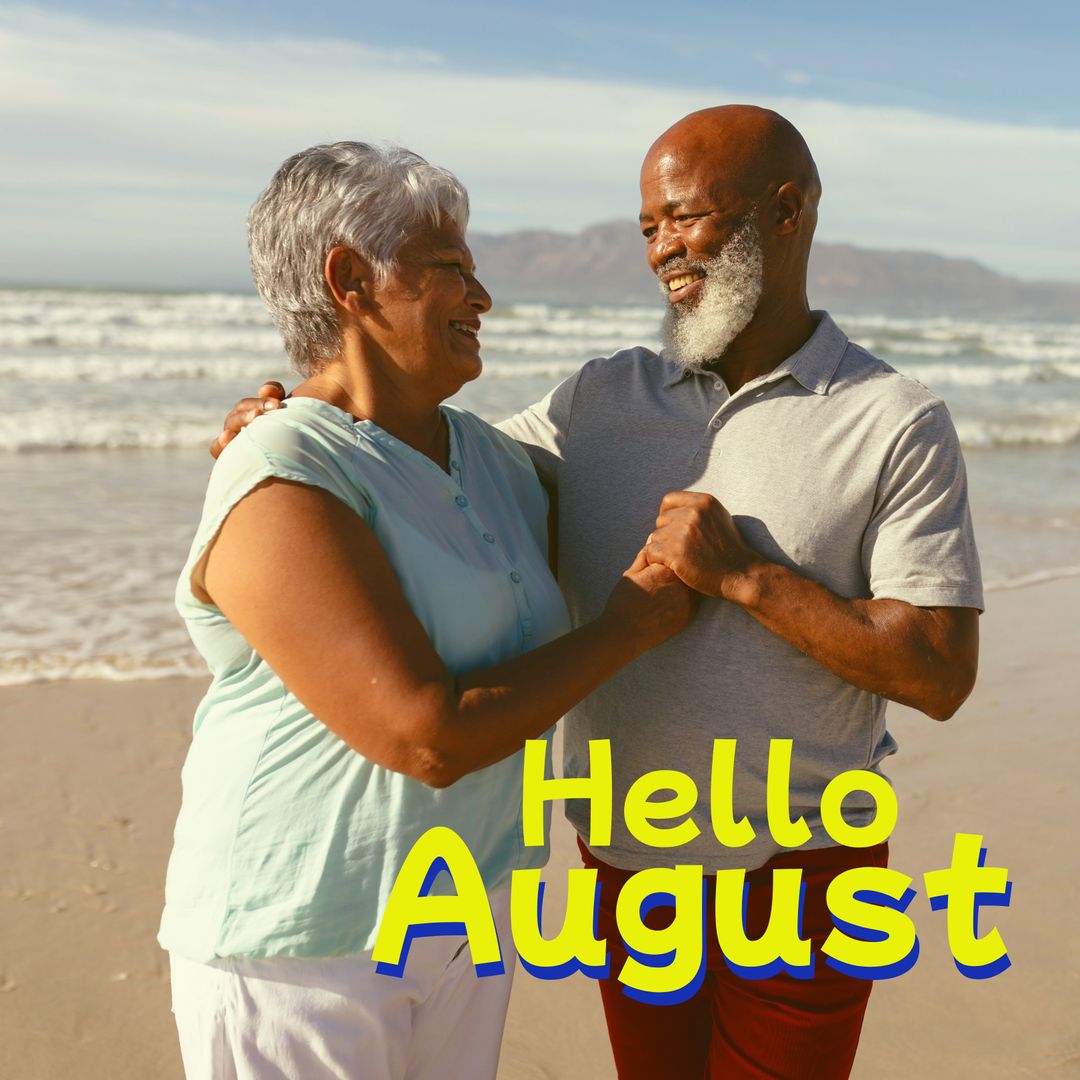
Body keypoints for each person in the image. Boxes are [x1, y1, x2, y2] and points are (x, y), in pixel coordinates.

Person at [217, 107, 983, 1079]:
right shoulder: (595, 404)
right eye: (648, 227)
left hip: (808, 875)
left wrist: (749, 579)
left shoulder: (892, 420)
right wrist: (303, 426)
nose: (663, 249)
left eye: (687, 219)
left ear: (785, 211)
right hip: (631, 870)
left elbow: (938, 670)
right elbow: (433, 471)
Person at [165, 140, 696, 1080]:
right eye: (451, 269)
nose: (482, 298)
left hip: (463, 917)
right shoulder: (281, 467)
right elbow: (425, 734)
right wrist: (627, 627)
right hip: (301, 944)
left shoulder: (496, 461)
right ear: (350, 281)